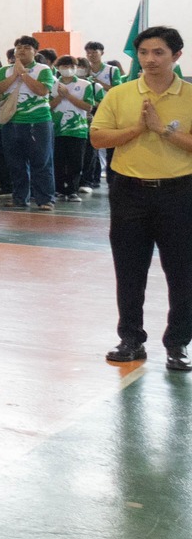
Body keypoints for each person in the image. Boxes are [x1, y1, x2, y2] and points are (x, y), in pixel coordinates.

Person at [93, 26, 192, 371]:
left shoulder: (190, 96)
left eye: (159, 53)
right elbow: (97, 138)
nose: (150, 60)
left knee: (183, 272)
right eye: (144, 53)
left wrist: (163, 129)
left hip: (180, 192)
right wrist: (138, 128)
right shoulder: (119, 95)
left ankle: (178, 343)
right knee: (130, 269)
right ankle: (130, 339)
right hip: (129, 192)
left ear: (177, 56)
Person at [0, 35, 58, 211]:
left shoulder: (43, 69)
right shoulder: (5, 70)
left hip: (37, 122)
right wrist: (15, 73)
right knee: (15, 163)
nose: (21, 50)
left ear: (35, 51)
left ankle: (45, 199)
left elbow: (42, 90)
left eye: (27, 47)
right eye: (19, 47)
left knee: (42, 161)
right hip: (11, 122)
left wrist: (23, 73)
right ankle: (19, 198)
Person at [51, 55, 94, 201]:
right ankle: (59, 189)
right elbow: (49, 106)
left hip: (78, 129)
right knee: (58, 161)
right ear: (58, 68)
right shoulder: (53, 84)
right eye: (64, 67)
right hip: (57, 129)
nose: (68, 70)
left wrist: (68, 95)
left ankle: (72, 190)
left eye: (71, 67)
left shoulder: (85, 85)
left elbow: (88, 106)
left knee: (76, 162)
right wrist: (60, 96)